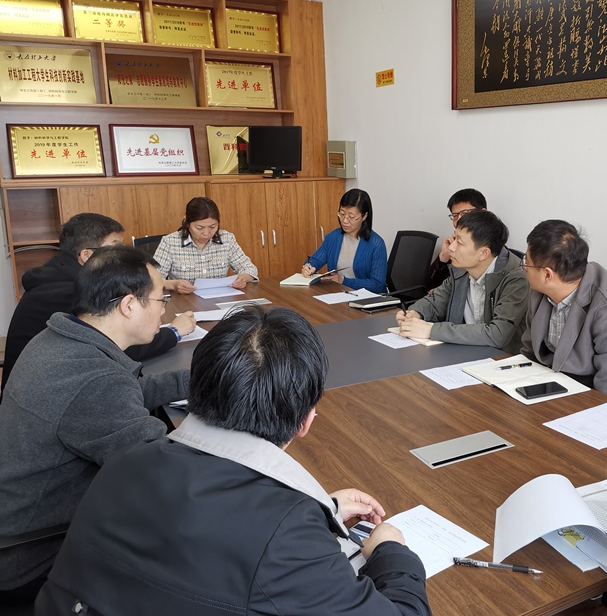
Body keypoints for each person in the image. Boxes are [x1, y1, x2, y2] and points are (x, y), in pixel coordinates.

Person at [36, 306, 430, 615]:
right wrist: (389, 551)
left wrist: (320, 509)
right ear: (306, 422)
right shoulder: (285, 538)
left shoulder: (127, 460)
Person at [0, 246, 190, 604]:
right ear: (129, 305)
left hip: (18, 521)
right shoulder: (95, 379)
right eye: (160, 299)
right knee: (185, 542)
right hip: (30, 556)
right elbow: (166, 470)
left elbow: (126, 393)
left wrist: (198, 380)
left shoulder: (61, 339)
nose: (163, 310)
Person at [1, 212, 195, 391]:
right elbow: (120, 346)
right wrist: (174, 332)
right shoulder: (71, 292)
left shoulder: (61, 273)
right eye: (116, 246)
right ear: (87, 255)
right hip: (49, 394)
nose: (123, 253)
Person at [520, 220, 607, 408]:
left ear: (547, 274)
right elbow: (530, 353)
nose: (523, 268)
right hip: (557, 390)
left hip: (606, 402)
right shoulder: (539, 292)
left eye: (526, 263)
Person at [397, 210, 528, 352]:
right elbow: (435, 301)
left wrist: (432, 330)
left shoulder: (516, 278)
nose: (451, 247)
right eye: (454, 239)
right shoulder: (462, 268)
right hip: (464, 351)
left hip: (501, 358)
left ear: (483, 253)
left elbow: (497, 334)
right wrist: (415, 313)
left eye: (459, 242)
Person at [154, 196, 258, 294]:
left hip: (218, 299)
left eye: (212, 227)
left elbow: (250, 269)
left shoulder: (226, 239)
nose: (206, 233)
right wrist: (173, 285)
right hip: (184, 301)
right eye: (199, 228)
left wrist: (243, 278)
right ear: (186, 222)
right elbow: (151, 279)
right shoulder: (170, 242)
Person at [301, 188, 388, 293]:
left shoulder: (376, 244)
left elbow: (377, 284)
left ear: (364, 216)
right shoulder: (333, 237)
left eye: (351, 217)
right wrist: (308, 267)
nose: (345, 221)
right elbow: (315, 260)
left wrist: (343, 281)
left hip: (366, 298)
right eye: (342, 214)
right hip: (338, 294)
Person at [424, 188, 488, 290]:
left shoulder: (492, 249)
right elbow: (428, 287)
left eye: (464, 213)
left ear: (483, 213)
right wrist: (444, 257)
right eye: (455, 216)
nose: (458, 221)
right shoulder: (453, 246)